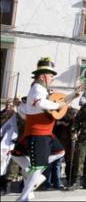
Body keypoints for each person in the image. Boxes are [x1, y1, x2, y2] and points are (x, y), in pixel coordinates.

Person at [11, 57, 71, 201]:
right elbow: (40, 104)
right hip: (39, 134)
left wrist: (19, 106)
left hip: (43, 133)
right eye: (51, 75)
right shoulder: (38, 89)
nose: (52, 78)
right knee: (36, 166)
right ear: (43, 75)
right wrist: (57, 106)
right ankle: (23, 197)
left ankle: (32, 169)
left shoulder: (39, 89)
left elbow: (26, 112)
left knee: (60, 151)